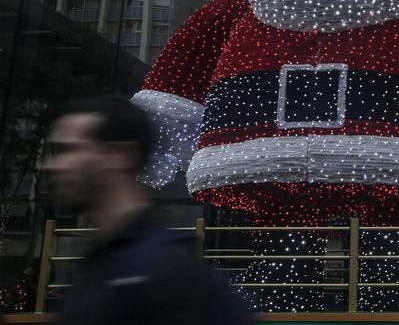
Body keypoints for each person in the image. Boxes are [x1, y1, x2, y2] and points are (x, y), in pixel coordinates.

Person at [42, 95, 250, 325]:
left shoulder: (168, 275)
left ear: (119, 155)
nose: (52, 165)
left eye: (69, 150)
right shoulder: (99, 264)